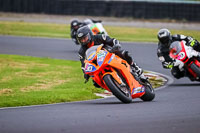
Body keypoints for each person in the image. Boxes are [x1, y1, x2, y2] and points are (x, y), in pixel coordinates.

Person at [76, 26, 143, 87]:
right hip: (98, 63)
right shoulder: (81, 51)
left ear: (90, 35)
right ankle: (112, 85)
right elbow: (83, 64)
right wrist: (85, 73)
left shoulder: (99, 37)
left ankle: (135, 67)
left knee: (125, 54)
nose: (83, 41)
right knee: (95, 82)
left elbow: (112, 40)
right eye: (81, 39)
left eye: (85, 38)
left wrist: (116, 45)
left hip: (110, 53)